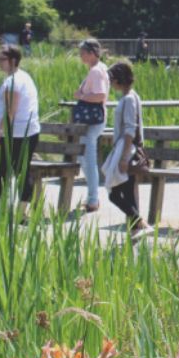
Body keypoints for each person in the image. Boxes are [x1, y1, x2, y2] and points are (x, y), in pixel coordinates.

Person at [104, 61, 151, 236]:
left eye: (111, 80)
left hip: (127, 150)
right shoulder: (131, 96)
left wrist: (124, 158)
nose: (110, 83)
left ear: (118, 80)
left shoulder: (129, 99)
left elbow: (130, 129)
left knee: (115, 194)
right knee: (126, 192)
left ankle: (140, 224)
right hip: (125, 149)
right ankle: (136, 228)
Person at [0, 45, 41, 207]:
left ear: (12, 60)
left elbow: (10, 112)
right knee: (22, 172)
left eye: (2, 59)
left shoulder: (13, 81)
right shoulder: (24, 76)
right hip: (29, 132)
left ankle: (1, 209)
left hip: (14, 134)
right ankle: (21, 212)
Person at [71, 40, 110, 214]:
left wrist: (81, 95)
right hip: (94, 120)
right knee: (84, 158)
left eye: (83, 53)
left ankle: (93, 199)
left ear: (92, 52)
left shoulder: (96, 71)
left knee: (88, 159)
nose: (81, 56)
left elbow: (100, 95)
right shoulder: (98, 69)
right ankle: (92, 196)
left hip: (92, 121)